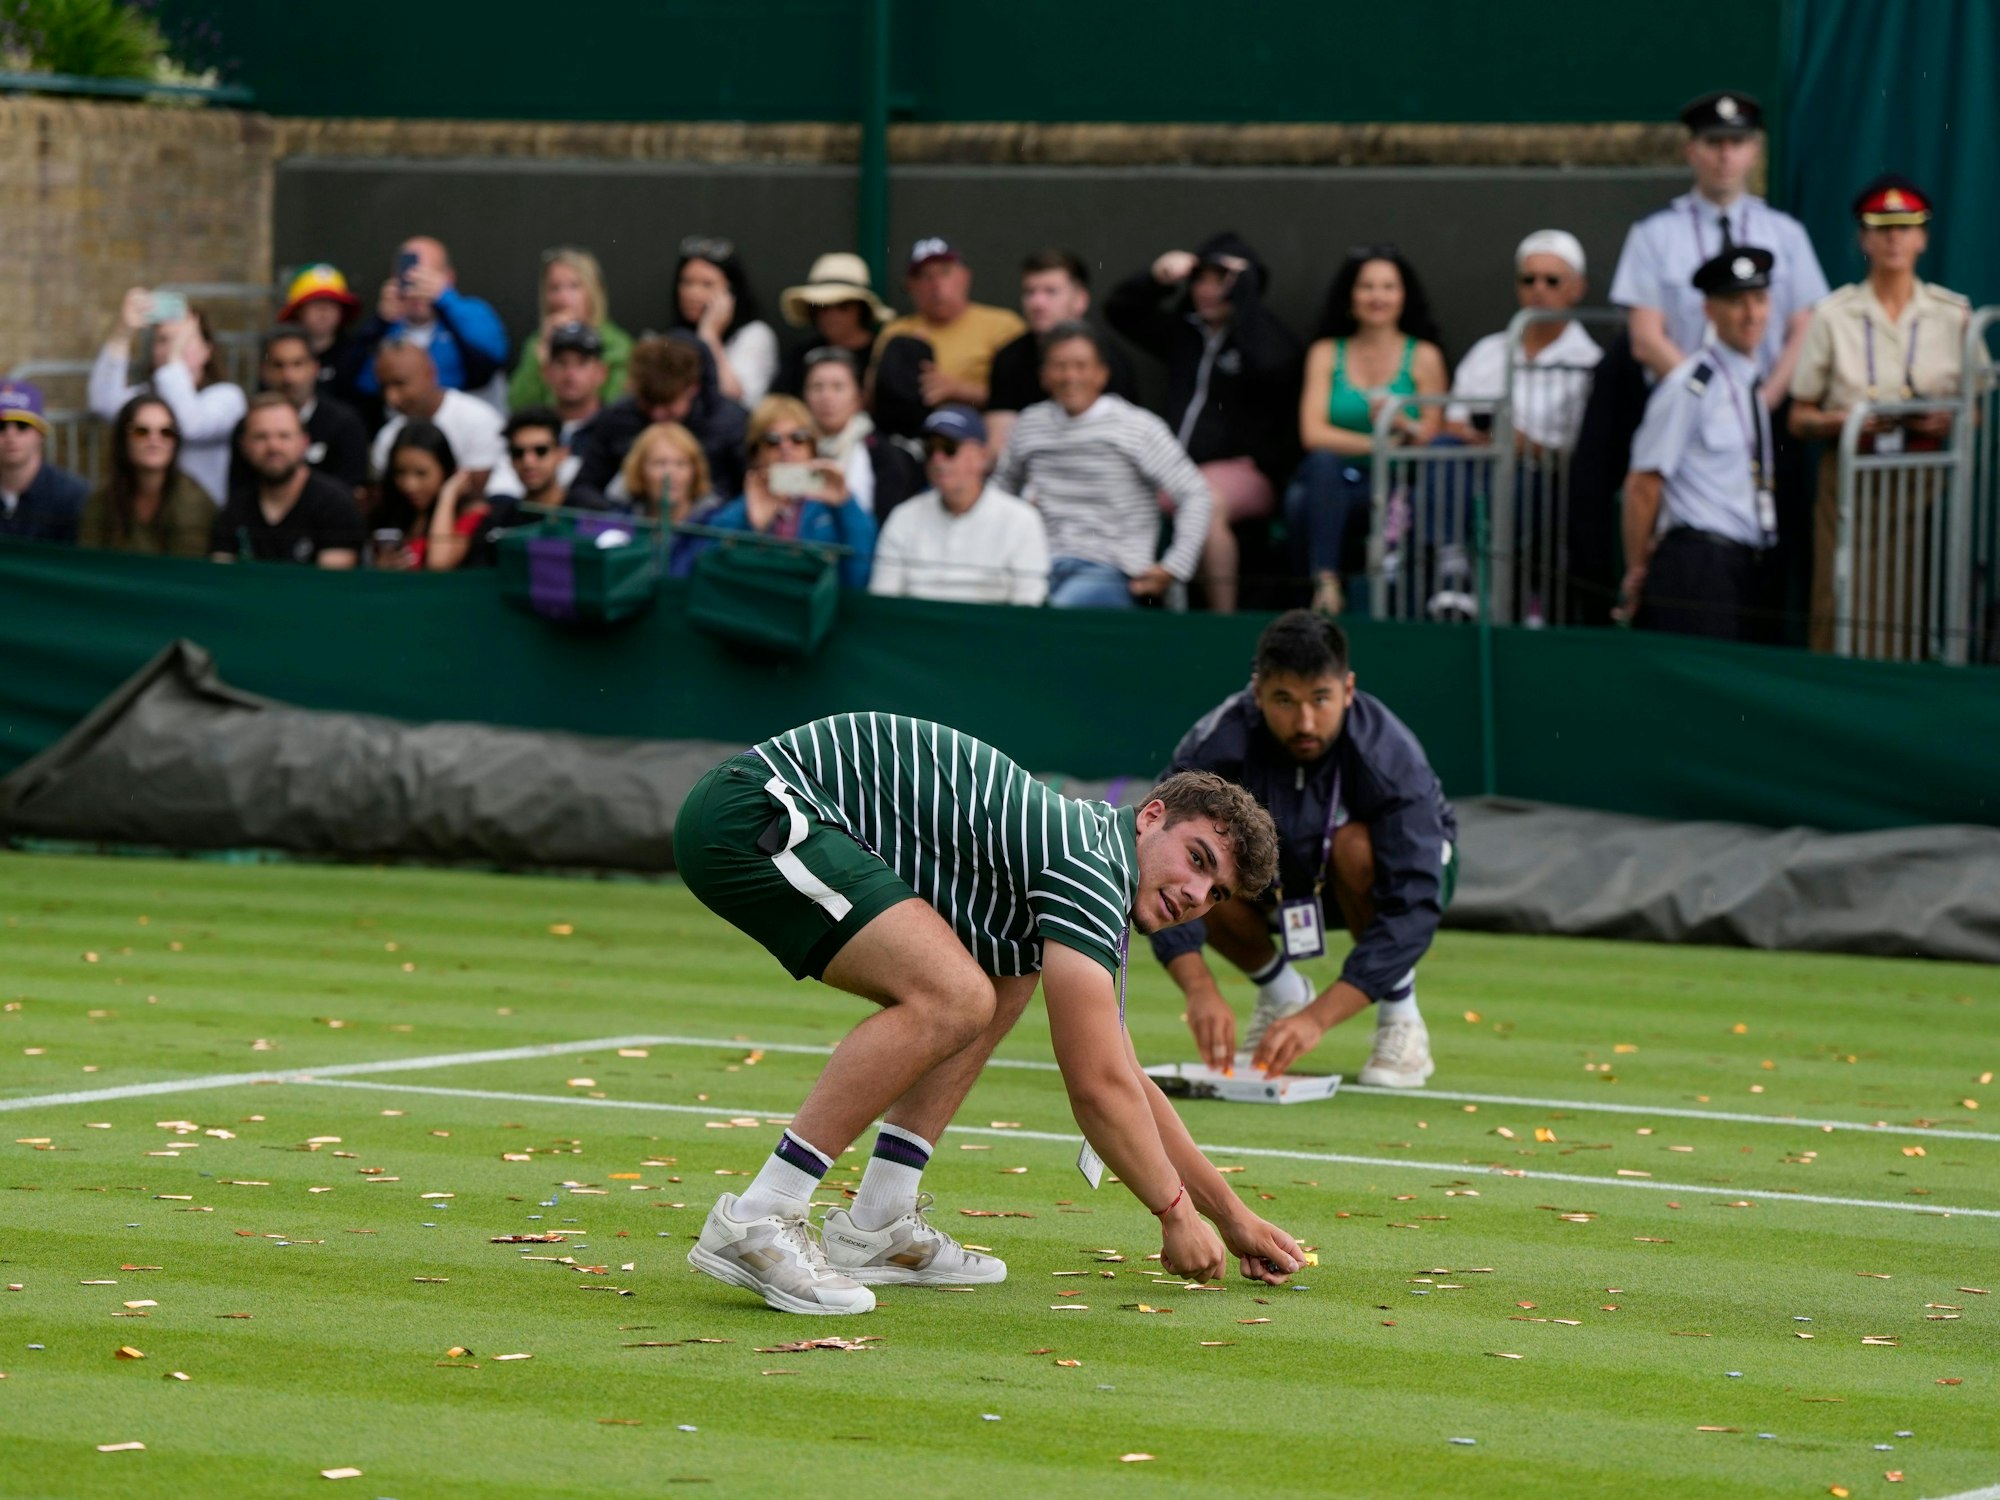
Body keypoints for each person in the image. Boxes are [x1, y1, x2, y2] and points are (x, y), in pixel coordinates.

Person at [674, 711, 1301, 1315]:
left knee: (1008, 973)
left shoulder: (1090, 859)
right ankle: (760, 1216)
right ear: (1152, 817)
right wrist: (1176, 1214)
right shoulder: (1088, 866)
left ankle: (878, 1220)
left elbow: (1124, 1076)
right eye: (1197, 859)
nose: (1196, 895)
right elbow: (1099, 1089)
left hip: (794, 810)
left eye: (1216, 893)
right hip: (757, 808)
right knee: (955, 996)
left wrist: (1230, 1215)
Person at [1154, 611, 1456, 1086]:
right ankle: (1281, 992)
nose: (1305, 721)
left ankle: (1401, 1016)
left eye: (1321, 699)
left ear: (1348, 690)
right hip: (1278, 882)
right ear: (1258, 693)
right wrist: (1199, 987)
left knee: (1355, 848)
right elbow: (1154, 858)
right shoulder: (1219, 744)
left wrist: (1317, 1019)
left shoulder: (1391, 757)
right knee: (1200, 851)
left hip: (1373, 877)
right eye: (1284, 701)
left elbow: (1413, 904)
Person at [1788, 176, 1970, 656]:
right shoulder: (1833, 314)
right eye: (1882, 228)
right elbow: (1799, 417)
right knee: (1841, 602)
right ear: (1864, 237)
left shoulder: (1954, 315)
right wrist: (1844, 422)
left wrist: (1949, 420)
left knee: (1918, 607)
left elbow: (1976, 413)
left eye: (1906, 227)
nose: (1894, 238)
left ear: (1923, 237)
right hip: (1851, 486)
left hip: (1925, 487)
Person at [1107, 233, 1304, 613]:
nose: (1208, 290)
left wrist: (1245, 294)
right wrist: (1157, 278)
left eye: (1221, 280)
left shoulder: (1264, 338)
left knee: (1203, 502)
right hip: (1173, 467)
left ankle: (1221, 617)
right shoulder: (1185, 334)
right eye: (1201, 279)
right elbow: (1120, 310)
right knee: (1126, 491)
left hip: (1243, 472)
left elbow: (1275, 367)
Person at [1610, 93, 1827, 398]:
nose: (1725, 155)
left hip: (1766, 404)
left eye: (1736, 143)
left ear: (1754, 151)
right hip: (1682, 404)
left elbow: (1804, 329)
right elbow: (1646, 339)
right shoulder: (1653, 234)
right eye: (1713, 143)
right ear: (1691, 151)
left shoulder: (1786, 233)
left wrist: (1762, 403)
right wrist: (1708, 399)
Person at [995, 323, 1212, 609]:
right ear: (1043, 375)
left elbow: (1195, 494)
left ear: (1102, 373)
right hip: (1036, 565)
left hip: (1113, 572)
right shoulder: (1029, 425)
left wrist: (1173, 568)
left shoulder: (1138, 427)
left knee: (1054, 611)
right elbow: (999, 493)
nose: (1070, 376)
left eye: (1081, 366)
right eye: (1059, 366)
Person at [1620, 249, 1779, 641]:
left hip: (1745, 563)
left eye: (1759, 300)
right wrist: (1636, 571)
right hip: (1699, 564)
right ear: (1709, 310)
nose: (1751, 314)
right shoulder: (1691, 386)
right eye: (1736, 302)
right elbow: (1643, 484)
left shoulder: (1748, 383)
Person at [1287, 247, 1448, 615]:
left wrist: (1402, 424)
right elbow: (1312, 433)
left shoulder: (1424, 356)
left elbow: (1431, 437)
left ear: (1404, 296)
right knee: (1321, 468)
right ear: (1350, 296)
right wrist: (1384, 442)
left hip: (1396, 485)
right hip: (1337, 478)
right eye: (1367, 287)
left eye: (1388, 287)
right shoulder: (1326, 352)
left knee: (1302, 500)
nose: (1378, 297)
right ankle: (1325, 584)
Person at [869, 405, 1049, 606]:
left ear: (980, 456)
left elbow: (1028, 605)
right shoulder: (904, 516)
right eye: (930, 449)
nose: (937, 459)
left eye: (949, 448)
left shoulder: (1021, 520)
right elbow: (883, 600)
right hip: (918, 631)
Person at [1443, 230, 1602, 453]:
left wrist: (1527, 447)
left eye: (1552, 281)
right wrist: (1491, 437)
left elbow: (1584, 451)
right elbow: (1454, 422)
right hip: (1474, 468)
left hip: (1539, 478)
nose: (1538, 289)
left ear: (1577, 288)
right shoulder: (1486, 351)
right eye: (1529, 279)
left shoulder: (1591, 362)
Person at [695, 395, 875, 589]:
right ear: (756, 454)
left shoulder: (833, 506)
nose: (786, 448)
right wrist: (751, 524)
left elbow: (859, 578)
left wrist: (845, 504)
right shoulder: (737, 511)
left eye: (798, 438)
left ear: (812, 448)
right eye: (772, 440)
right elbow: (712, 577)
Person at [87, 290, 247, 504]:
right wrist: (124, 330)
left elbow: (189, 425)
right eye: (162, 341)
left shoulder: (227, 397)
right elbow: (103, 403)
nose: (173, 347)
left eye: (184, 340)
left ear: (207, 351)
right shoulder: (147, 397)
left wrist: (173, 360)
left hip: (202, 518)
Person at [985, 249, 1137, 456]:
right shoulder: (1009, 358)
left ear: (1080, 300)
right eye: (1030, 292)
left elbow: (1126, 438)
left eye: (1051, 291)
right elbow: (999, 444)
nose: (1037, 303)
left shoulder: (1111, 359)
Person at [869, 238, 1026, 429]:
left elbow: (1025, 397)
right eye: (925, 276)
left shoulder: (1004, 325)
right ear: (910, 286)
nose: (936, 284)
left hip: (982, 437)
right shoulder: (896, 332)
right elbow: (869, 398)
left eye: (945, 272)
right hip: (911, 437)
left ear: (965, 276)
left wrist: (960, 390)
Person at [570, 334, 748, 503]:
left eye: (667, 404)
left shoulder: (730, 422)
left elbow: (749, 493)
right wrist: (620, 521)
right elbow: (584, 487)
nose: (657, 414)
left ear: (693, 388)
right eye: (648, 403)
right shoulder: (619, 417)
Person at [354, 236, 510, 411]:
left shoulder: (472, 311)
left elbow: (489, 365)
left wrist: (444, 300)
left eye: (425, 276)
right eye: (409, 277)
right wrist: (379, 323)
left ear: (448, 278)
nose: (417, 287)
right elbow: (361, 384)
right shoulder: (387, 326)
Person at [209, 394, 364, 567]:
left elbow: (331, 586)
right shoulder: (234, 511)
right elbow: (221, 579)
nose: (273, 446)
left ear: (305, 442)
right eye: (261, 437)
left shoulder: (336, 505)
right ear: (244, 445)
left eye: (284, 436)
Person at [225, 326, 371, 499]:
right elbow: (239, 493)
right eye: (278, 365)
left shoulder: (345, 423)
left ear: (315, 368)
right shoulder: (247, 425)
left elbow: (351, 493)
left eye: (298, 364)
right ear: (262, 370)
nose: (288, 377)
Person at [77, 395, 213, 557]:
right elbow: (88, 561)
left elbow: (186, 572)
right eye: (141, 431)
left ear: (175, 441)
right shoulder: (101, 499)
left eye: (166, 431)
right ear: (123, 439)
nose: (154, 440)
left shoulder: (193, 500)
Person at [801, 347, 924, 522]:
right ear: (804, 396)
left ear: (859, 397)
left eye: (838, 387)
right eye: (817, 387)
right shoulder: (788, 445)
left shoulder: (883, 454)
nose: (826, 396)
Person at [369, 341, 507, 496]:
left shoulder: (478, 419)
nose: (391, 398)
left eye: (399, 383)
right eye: (383, 387)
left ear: (430, 373)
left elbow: (476, 493)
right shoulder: (387, 437)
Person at [508, 247, 631, 412]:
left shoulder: (617, 345)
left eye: (573, 286)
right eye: (554, 288)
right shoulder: (538, 342)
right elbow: (517, 406)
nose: (562, 298)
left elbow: (616, 405)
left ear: (592, 291)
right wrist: (542, 355)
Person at [373, 419, 497, 571]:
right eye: (400, 473)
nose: (409, 485)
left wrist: (448, 494)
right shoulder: (391, 512)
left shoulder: (471, 514)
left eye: (421, 473)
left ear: (444, 470)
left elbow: (438, 564)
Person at [673, 235, 779, 408]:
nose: (693, 293)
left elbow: (735, 400)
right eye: (686, 282)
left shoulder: (755, 334)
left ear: (731, 293)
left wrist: (709, 334)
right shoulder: (673, 337)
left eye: (707, 284)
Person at [776, 251, 891, 395]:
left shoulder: (884, 356)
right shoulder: (798, 357)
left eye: (843, 306)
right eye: (822, 306)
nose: (831, 315)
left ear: (861, 309)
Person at [0, 379, 87, 543]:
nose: (10, 435)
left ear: (40, 433)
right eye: (1, 426)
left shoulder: (72, 496)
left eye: (22, 425)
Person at [277, 264, 370, 414]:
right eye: (315, 303)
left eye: (332, 303)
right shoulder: (277, 354)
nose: (324, 310)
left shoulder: (356, 353)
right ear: (298, 311)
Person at [620, 420, 716, 525]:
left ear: (695, 470)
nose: (670, 473)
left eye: (680, 464)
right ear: (640, 469)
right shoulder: (622, 520)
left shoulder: (715, 522)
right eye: (660, 463)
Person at [501, 406, 573, 514]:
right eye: (518, 453)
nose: (528, 462)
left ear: (562, 454)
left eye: (541, 451)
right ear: (511, 460)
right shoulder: (501, 518)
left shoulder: (588, 513)